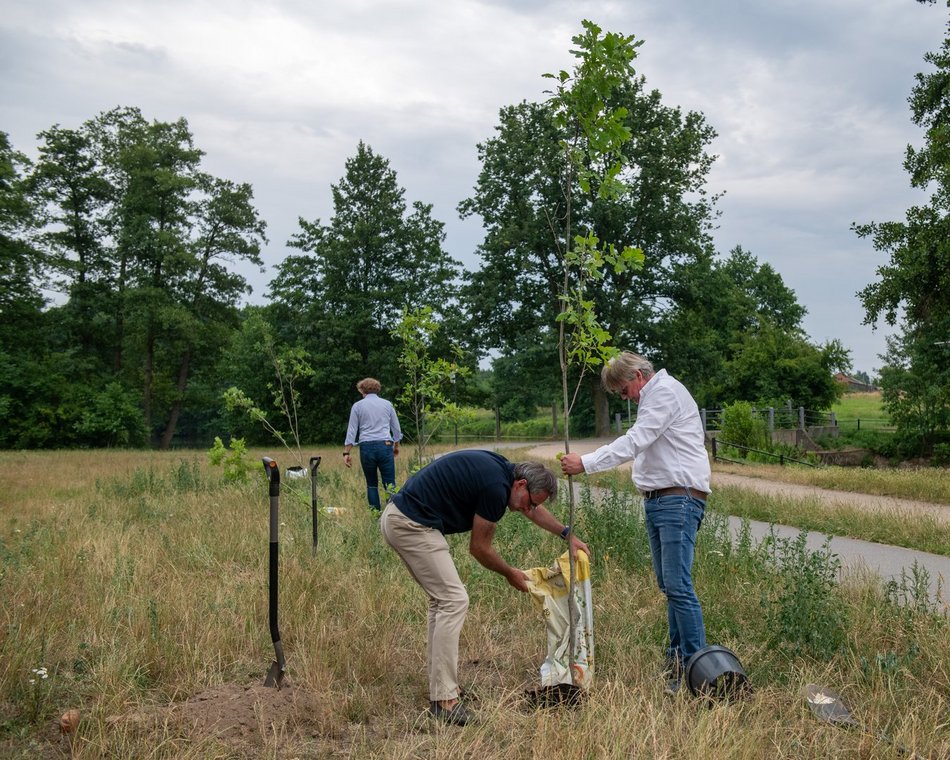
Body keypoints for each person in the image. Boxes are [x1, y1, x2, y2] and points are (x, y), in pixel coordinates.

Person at [380, 450, 590, 726]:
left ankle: (443, 688)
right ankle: (444, 701)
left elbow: (533, 510)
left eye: (533, 507)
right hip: (412, 525)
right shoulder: (495, 489)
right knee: (454, 601)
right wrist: (509, 573)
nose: (526, 510)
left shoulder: (505, 471)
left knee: (442, 602)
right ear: (522, 485)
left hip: (402, 518)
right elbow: (479, 549)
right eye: (528, 503)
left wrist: (566, 534)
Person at [560, 352, 710, 694]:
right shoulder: (654, 397)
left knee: (678, 585)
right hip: (661, 500)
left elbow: (635, 441)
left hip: (678, 499)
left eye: (624, 388)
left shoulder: (664, 393)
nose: (624, 396)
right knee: (670, 585)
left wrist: (586, 462)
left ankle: (696, 668)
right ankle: (677, 661)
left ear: (640, 375)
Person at [343, 378, 402, 510]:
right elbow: (396, 428)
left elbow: (352, 431)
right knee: (390, 483)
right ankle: (393, 514)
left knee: (371, 484)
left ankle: (376, 515)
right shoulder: (387, 404)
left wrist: (346, 452)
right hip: (385, 445)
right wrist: (396, 446)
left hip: (367, 447)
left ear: (362, 390)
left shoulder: (357, 406)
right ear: (377, 389)